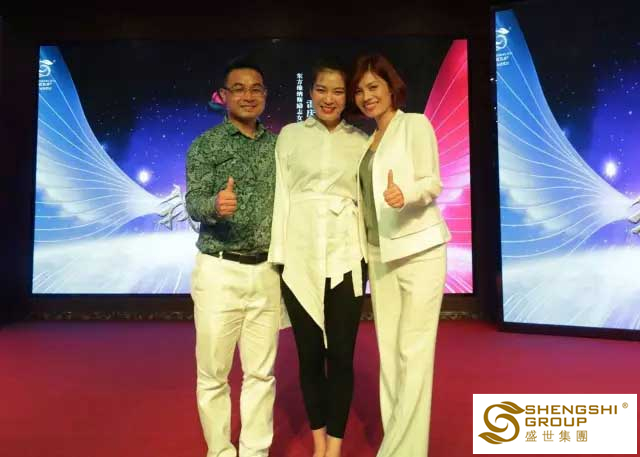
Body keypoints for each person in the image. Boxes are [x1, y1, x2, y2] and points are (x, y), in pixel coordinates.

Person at [351, 54, 451, 457]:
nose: (366, 96)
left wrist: (403, 194)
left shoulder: (415, 125)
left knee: (414, 352)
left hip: (420, 250)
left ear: (392, 88)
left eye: (373, 87)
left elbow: (432, 182)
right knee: (390, 357)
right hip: (380, 255)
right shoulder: (367, 142)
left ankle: (400, 451)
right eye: (360, 90)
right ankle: (399, 445)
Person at [269, 59, 367, 457]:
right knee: (309, 356)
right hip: (300, 256)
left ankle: (335, 448)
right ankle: (318, 442)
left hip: (347, 255)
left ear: (347, 98)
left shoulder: (361, 141)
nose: (329, 98)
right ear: (310, 92)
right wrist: (279, 257)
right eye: (322, 89)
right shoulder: (290, 136)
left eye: (338, 91)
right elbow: (281, 197)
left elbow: (367, 202)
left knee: (341, 356)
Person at [186, 60, 281, 457]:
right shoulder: (206, 145)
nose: (248, 95)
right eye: (238, 88)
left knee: (261, 373)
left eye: (256, 88)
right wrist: (215, 205)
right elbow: (193, 202)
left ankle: (255, 451)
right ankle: (221, 451)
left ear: (264, 95)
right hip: (219, 269)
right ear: (223, 96)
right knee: (213, 373)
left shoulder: (279, 147)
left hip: (267, 272)